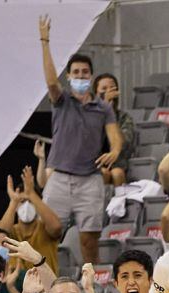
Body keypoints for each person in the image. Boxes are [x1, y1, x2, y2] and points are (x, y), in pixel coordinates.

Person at [38, 16, 123, 265]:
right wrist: (45, 41)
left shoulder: (103, 107)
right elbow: (51, 81)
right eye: (75, 72)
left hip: (90, 179)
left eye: (85, 72)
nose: (80, 75)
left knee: (89, 239)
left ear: (91, 76)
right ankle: (42, 284)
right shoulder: (61, 100)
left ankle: (91, 287)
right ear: (69, 76)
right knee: (49, 233)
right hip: (60, 178)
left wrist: (115, 151)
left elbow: (114, 136)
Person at [0, 164, 61, 274]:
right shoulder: (12, 231)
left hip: (46, 286)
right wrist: (14, 202)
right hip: (16, 287)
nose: (26, 205)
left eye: (31, 201)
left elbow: (56, 227)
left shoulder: (45, 229)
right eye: (22, 201)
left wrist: (31, 193)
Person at [94, 74, 135, 187]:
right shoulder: (90, 116)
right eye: (104, 89)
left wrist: (109, 113)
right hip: (94, 164)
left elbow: (125, 144)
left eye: (112, 89)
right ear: (96, 95)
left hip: (118, 163)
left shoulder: (124, 118)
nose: (109, 93)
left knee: (117, 173)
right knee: (102, 173)